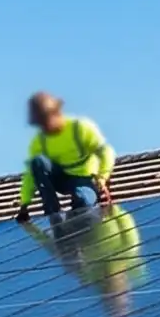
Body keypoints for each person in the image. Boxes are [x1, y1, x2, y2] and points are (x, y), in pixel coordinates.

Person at [13, 92, 115, 222]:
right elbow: (31, 175)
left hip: (84, 178)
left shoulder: (80, 128)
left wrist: (102, 177)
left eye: (46, 119)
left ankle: (78, 221)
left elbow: (106, 151)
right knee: (37, 162)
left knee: (83, 202)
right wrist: (24, 204)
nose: (44, 125)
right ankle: (53, 214)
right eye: (41, 122)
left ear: (55, 112)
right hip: (60, 179)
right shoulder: (39, 140)